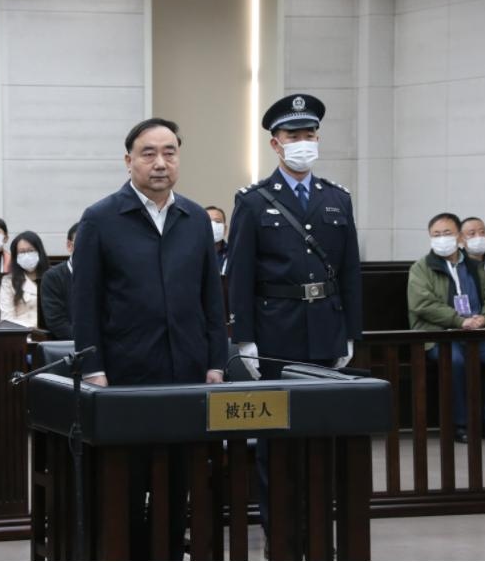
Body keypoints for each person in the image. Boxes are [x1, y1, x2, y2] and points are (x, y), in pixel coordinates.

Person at [72, 117, 227, 559]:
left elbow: (211, 299)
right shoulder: (100, 219)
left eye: (169, 153)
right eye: (149, 153)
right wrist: (94, 369)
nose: (160, 163)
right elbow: (85, 303)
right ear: (128, 161)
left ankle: (169, 552)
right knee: (128, 480)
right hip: (126, 375)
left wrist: (216, 362)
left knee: (179, 480)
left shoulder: (194, 219)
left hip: (187, 373)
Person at [226, 93, 362, 554]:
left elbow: (349, 272)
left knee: (322, 437)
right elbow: (240, 275)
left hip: (325, 330)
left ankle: (318, 531)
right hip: (274, 334)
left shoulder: (337, 198)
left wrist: (351, 333)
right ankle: (281, 535)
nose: (303, 142)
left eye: (309, 134)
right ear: (275, 143)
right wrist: (244, 338)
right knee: (277, 443)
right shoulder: (253, 200)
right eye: (293, 135)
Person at [408, 212, 485, 443]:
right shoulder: (421, 268)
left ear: (459, 236)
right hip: (439, 335)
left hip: (475, 334)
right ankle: (460, 424)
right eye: (436, 235)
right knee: (455, 361)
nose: (441, 239)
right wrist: (459, 321)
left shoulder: (473, 266)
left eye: (447, 233)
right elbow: (422, 304)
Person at [0, 230, 50, 328]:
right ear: (15, 256)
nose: (27, 255)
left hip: (49, 332)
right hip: (21, 333)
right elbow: (6, 318)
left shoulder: (52, 277)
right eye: (22, 252)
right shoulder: (8, 281)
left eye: (31, 250)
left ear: (39, 252)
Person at [40, 222, 78, 339]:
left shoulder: (104, 273)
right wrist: (84, 341)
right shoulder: (53, 277)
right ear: (69, 245)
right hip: (69, 343)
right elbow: (56, 321)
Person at [205, 205, 229, 274]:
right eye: (208, 221)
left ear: (225, 229)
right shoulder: (192, 254)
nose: (212, 225)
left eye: (217, 221)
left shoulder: (234, 254)